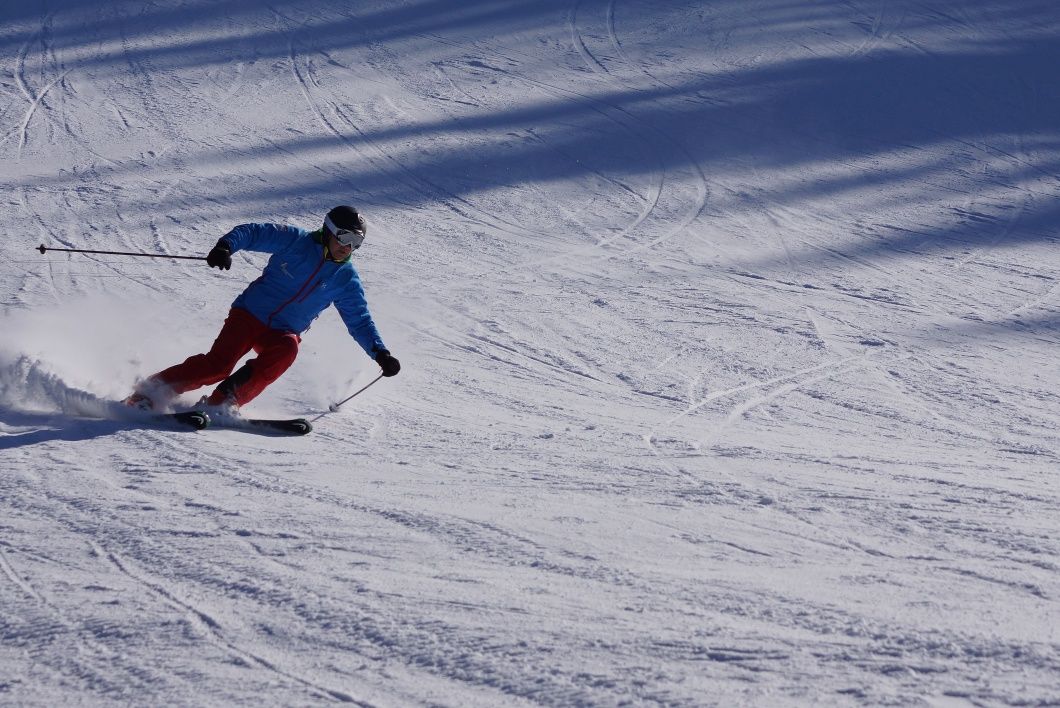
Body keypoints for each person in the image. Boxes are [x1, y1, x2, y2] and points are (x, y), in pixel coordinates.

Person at [125, 205, 400, 413]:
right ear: (329, 230)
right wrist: (225, 247)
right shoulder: (296, 242)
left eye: (356, 243)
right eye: (345, 237)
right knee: (218, 366)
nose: (348, 247)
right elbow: (254, 232)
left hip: (282, 331)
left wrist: (381, 353)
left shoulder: (346, 279)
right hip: (248, 315)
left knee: (288, 349)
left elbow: (359, 320)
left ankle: (223, 402)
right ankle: (149, 393)